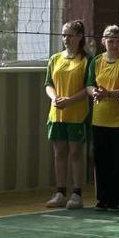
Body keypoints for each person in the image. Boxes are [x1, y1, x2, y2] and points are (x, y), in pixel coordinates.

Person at [44, 20, 91, 210]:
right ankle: (60, 193)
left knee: (76, 153)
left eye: (69, 35)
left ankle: (77, 194)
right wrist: (55, 98)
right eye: (63, 35)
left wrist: (70, 100)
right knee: (59, 153)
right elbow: (49, 84)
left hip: (77, 114)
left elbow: (88, 88)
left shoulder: (86, 60)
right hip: (57, 114)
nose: (66, 38)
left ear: (79, 37)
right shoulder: (55, 59)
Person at [86, 25, 119, 211]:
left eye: (118, 41)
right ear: (103, 42)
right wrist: (95, 92)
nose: (114, 44)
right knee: (101, 159)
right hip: (99, 118)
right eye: (110, 41)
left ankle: (117, 198)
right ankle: (102, 199)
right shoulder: (96, 61)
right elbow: (89, 85)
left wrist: (109, 94)